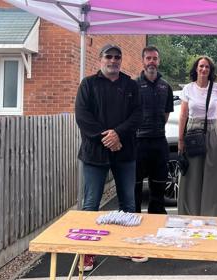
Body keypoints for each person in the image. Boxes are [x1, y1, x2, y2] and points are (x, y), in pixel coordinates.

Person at [75, 44, 142, 271]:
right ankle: (87, 253)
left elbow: (137, 115)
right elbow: (83, 117)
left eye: (117, 57)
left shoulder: (130, 85)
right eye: (109, 57)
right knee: (91, 204)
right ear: (100, 59)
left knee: (128, 203)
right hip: (95, 153)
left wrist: (118, 134)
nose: (113, 61)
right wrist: (108, 137)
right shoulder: (88, 84)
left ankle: (127, 246)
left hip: (125, 152)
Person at [177, 56, 217, 216]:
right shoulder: (188, 89)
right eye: (201, 66)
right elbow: (183, 115)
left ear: (210, 70)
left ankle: (209, 213)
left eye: (207, 67)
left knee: (212, 175)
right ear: (196, 69)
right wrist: (180, 139)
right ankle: (190, 213)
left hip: (212, 131)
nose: (204, 69)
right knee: (192, 175)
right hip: (192, 132)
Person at [134, 46, 173, 215]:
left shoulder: (166, 87)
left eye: (154, 58)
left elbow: (166, 114)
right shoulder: (133, 85)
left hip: (159, 142)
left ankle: (156, 222)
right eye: (148, 58)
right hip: (138, 142)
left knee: (158, 188)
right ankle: (134, 221)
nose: (152, 62)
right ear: (143, 61)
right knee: (134, 188)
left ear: (159, 61)